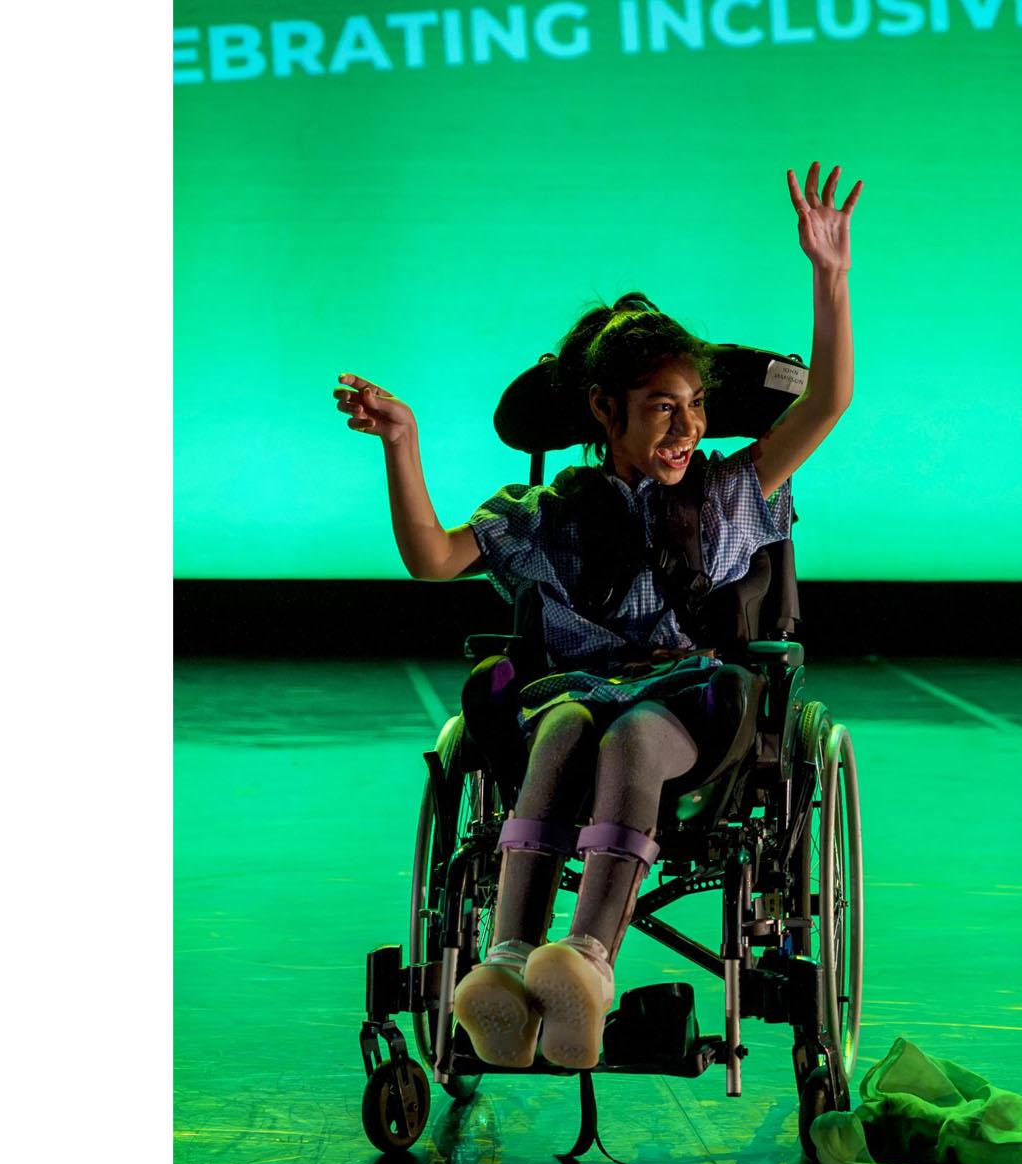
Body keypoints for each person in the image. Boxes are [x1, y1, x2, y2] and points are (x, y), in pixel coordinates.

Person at [333, 162, 861, 1070]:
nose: (686, 428)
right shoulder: (547, 513)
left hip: (692, 702)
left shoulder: (730, 497)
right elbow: (432, 558)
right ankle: (505, 968)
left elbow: (827, 403)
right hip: (578, 690)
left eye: (695, 408)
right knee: (568, 721)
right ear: (603, 411)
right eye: (663, 409)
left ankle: (582, 962)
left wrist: (829, 276)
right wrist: (403, 442)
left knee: (632, 734)